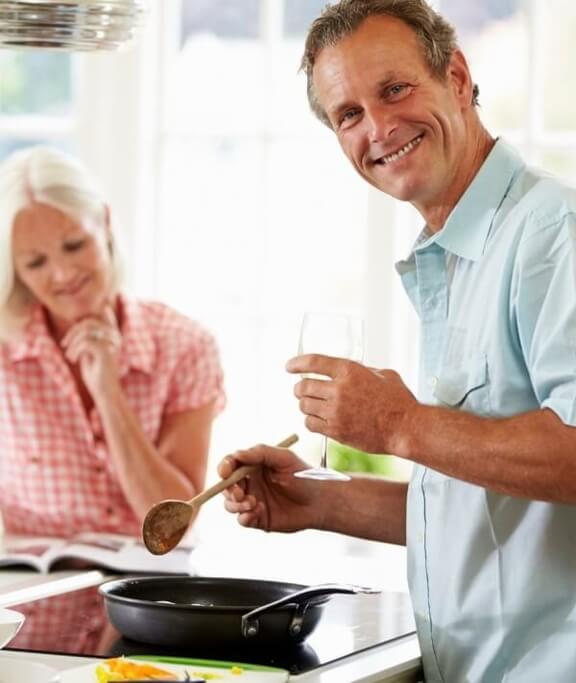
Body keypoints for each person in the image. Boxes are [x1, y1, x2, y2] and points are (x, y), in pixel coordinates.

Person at [219, 1, 576, 681]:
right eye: (348, 114)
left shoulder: (553, 234)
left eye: (395, 89)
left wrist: (400, 424)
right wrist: (319, 501)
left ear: (460, 78)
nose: (379, 128)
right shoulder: (454, 253)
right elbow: (482, 508)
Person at [0, 145, 225, 538]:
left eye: (74, 245)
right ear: (15, 270)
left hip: (144, 595)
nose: (63, 273)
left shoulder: (185, 346)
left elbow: (172, 527)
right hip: (33, 597)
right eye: (36, 263)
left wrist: (107, 394)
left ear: (103, 223)